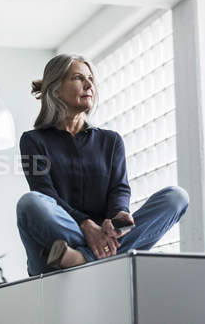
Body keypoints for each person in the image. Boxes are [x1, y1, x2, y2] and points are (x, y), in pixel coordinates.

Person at [16, 53, 189, 277]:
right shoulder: (33, 141)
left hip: (101, 241)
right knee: (30, 203)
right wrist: (85, 225)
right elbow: (44, 193)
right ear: (56, 88)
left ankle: (81, 258)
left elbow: (119, 188)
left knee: (176, 197)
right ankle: (97, 254)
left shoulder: (111, 140)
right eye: (79, 78)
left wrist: (119, 214)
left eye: (91, 79)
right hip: (56, 246)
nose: (89, 85)